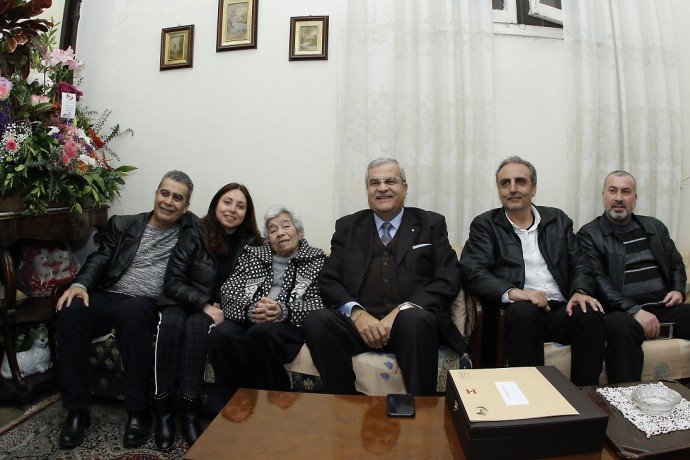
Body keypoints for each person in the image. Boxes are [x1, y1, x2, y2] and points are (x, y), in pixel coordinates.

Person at [303, 157, 469, 396]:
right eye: (374, 183)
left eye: (390, 181)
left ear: (405, 187)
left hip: (411, 327)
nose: (382, 188)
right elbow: (329, 280)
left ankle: (420, 408)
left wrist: (401, 311)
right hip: (360, 327)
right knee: (317, 320)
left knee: (414, 320)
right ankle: (344, 404)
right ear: (367, 190)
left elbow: (447, 278)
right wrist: (358, 314)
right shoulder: (348, 226)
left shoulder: (430, 223)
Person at [55, 170, 195, 449]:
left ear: (186, 206)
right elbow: (100, 258)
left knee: (132, 312)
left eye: (177, 198)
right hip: (111, 294)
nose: (168, 202)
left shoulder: (192, 232)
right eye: (164, 193)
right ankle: (77, 410)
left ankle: (138, 411)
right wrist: (80, 285)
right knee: (70, 308)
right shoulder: (123, 224)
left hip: (146, 302)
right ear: (156, 194)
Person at [459, 156, 606, 386]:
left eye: (520, 181)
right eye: (505, 183)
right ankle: (532, 395)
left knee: (590, 312)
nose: (513, 189)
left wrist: (580, 291)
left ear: (534, 188)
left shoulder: (557, 220)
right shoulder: (485, 225)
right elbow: (473, 271)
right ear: (499, 190)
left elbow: (581, 263)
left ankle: (585, 393)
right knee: (523, 312)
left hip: (561, 309)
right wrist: (515, 293)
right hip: (519, 311)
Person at [153, 183, 262, 451]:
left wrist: (221, 307)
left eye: (240, 206)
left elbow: (252, 287)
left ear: (246, 213)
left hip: (219, 311)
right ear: (216, 205)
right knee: (172, 323)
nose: (232, 210)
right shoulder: (194, 232)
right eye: (227, 202)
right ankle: (163, 413)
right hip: (183, 301)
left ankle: (189, 413)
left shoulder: (252, 243)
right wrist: (203, 303)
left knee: (197, 328)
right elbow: (172, 280)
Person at [577, 170, 690, 383]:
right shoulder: (589, 234)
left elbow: (676, 263)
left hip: (662, 306)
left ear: (635, 198)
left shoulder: (655, 227)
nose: (619, 198)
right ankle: (625, 398)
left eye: (626, 192)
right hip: (619, 312)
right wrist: (635, 310)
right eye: (613, 191)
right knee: (622, 329)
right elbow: (598, 280)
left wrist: (677, 289)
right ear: (603, 195)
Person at [208, 205, 326, 395]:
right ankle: (236, 402)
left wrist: (283, 311)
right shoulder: (253, 255)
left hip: (289, 325)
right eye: (273, 230)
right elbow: (228, 291)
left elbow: (320, 303)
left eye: (286, 226)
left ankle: (273, 400)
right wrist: (251, 310)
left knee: (261, 333)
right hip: (249, 318)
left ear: (300, 231)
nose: (280, 233)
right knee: (221, 335)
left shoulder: (316, 259)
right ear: (268, 238)